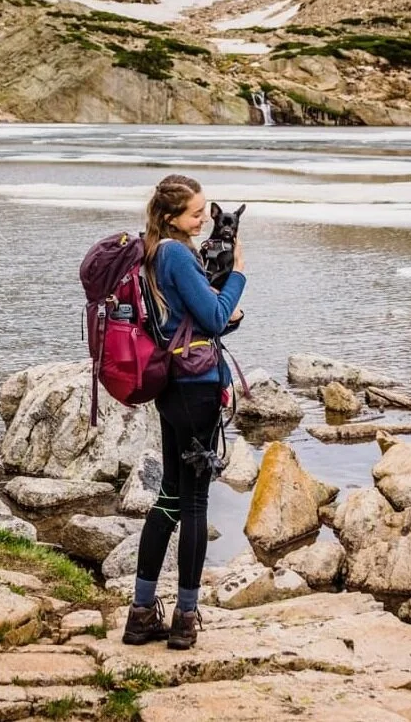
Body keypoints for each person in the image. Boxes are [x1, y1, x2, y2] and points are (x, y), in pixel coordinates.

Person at [121, 173, 246, 650]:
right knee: (194, 504)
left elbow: (185, 322)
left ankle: (140, 614)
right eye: (196, 212)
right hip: (197, 389)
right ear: (172, 216)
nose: (203, 220)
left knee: (170, 497)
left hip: (171, 386)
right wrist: (236, 275)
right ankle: (185, 619)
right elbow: (214, 317)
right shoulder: (176, 253)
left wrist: (217, 310)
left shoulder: (152, 250)